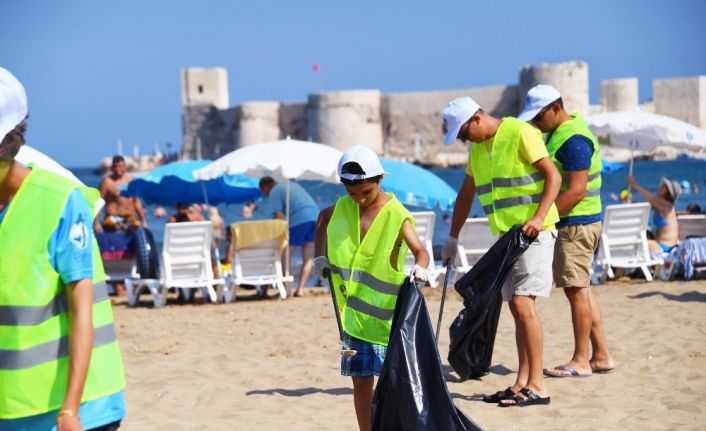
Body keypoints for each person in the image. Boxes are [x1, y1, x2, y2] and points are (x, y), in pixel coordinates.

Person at [0, 67, 126, 430]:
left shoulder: (58, 201)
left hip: (78, 406)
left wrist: (70, 410)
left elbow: (80, 310)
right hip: (12, 408)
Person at [440, 96, 561, 407]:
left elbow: (553, 176)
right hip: (508, 241)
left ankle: (538, 386)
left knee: (523, 305)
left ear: (476, 119)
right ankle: (522, 382)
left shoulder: (520, 131)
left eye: (464, 133)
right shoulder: (477, 151)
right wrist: (452, 237)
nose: (464, 140)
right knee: (516, 308)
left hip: (537, 231)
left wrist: (537, 217)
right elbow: (465, 196)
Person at [312, 145, 430, 431]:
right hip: (352, 316)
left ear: (378, 180)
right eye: (352, 193)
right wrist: (320, 257)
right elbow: (322, 220)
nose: (360, 199)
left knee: (393, 385)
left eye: (365, 192)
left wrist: (421, 268)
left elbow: (420, 251)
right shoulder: (342, 207)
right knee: (361, 382)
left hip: (387, 319)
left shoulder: (395, 213)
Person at [519, 84, 615, 378]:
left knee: (575, 290)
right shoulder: (563, 133)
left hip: (577, 223)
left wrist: (543, 215)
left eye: (539, 116)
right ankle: (600, 355)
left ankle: (581, 359)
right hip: (578, 222)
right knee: (581, 289)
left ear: (555, 109)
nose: (536, 122)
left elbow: (576, 190)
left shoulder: (572, 139)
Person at [259, 175, 318, 297]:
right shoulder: (291, 185)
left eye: (262, 192)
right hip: (315, 217)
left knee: (285, 254)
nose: (264, 195)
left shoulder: (274, 191)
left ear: (265, 187)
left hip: (300, 220)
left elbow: (279, 217)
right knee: (308, 256)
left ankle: (287, 289)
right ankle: (300, 289)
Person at [628, 175, 682, 253]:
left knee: (633, 244)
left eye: (663, 187)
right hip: (659, 243)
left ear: (667, 192)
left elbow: (651, 198)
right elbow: (644, 205)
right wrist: (630, 200)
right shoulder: (660, 205)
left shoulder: (667, 206)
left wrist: (634, 184)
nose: (660, 188)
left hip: (665, 246)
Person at [95, 155, 148, 232]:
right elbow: (98, 203)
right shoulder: (106, 182)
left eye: (120, 166)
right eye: (115, 166)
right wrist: (96, 223)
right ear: (112, 168)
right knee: (119, 230)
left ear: (125, 167)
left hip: (129, 218)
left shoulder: (131, 181)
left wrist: (144, 221)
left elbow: (137, 203)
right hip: (112, 218)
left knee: (140, 232)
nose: (118, 169)